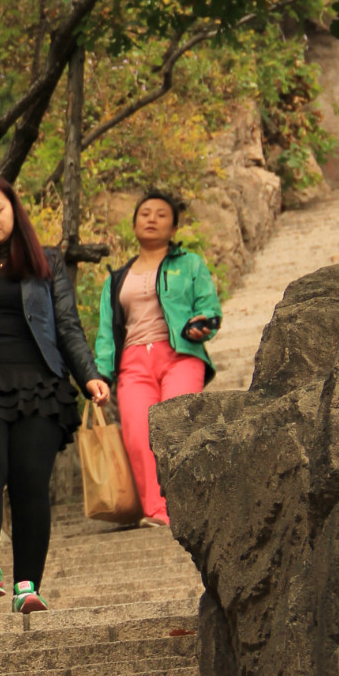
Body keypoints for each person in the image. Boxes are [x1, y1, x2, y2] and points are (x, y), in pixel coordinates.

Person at [0, 173, 108, 613]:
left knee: (30, 483)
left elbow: (67, 326)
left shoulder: (46, 263)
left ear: (14, 210)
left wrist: (89, 376)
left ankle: (28, 587)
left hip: (41, 385)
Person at [93, 192, 221, 529]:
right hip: (133, 364)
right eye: (145, 213)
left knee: (177, 426)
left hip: (180, 355)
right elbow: (107, 333)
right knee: (137, 434)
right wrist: (102, 376)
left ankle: (187, 503)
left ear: (174, 226)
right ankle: (157, 510)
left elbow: (209, 307)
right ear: (134, 224)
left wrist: (201, 324)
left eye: (162, 215)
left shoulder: (190, 264)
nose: (152, 219)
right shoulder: (116, 278)